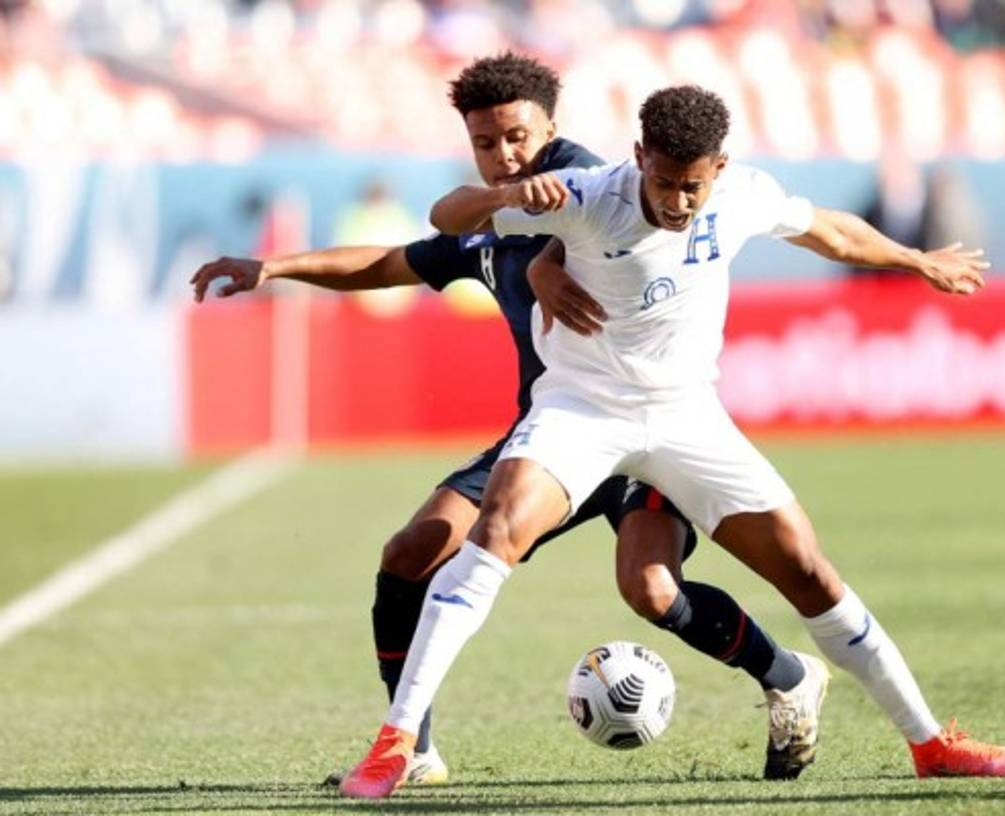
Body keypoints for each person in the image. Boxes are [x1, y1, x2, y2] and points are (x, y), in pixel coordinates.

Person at [339, 83, 1005, 800]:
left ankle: (930, 744)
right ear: (638, 158)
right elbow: (444, 214)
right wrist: (500, 200)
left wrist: (916, 260)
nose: (676, 202)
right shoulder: (585, 194)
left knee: (808, 573)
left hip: (687, 418)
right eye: (664, 183)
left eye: (692, 187)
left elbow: (831, 231)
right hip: (583, 411)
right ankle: (397, 743)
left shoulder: (742, 195)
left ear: (720, 169)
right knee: (496, 534)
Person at [191, 54, 828, 786]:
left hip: (641, 426)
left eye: (518, 137)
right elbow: (394, 262)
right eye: (486, 143)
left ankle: (787, 678)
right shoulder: (492, 216)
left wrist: (547, 265)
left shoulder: (590, 184)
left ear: (550, 126)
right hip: (554, 434)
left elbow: (626, 232)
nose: (505, 155)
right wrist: (274, 267)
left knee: (652, 590)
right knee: (410, 552)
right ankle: (415, 749)